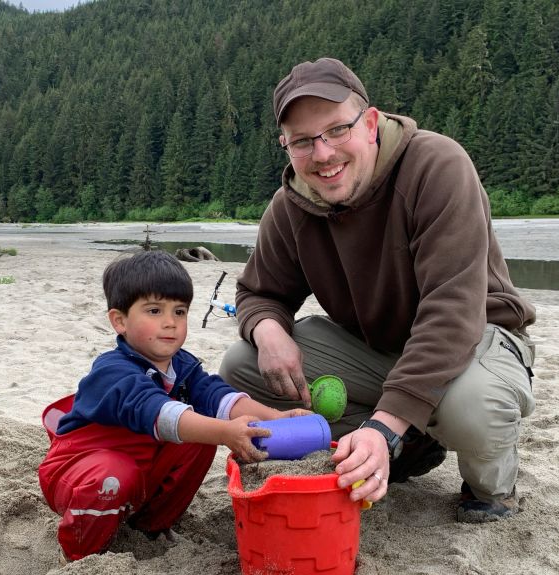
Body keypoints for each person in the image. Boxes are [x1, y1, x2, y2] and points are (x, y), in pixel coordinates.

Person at [219, 57, 537, 523]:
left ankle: (490, 486)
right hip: (378, 351)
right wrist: (268, 332)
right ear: (286, 146)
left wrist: (382, 425)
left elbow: (451, 314)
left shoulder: (436, 166)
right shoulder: (291, 206)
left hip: (475, 339)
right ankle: (409, 445)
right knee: (242, 367)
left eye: (336, 130)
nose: (323, 154)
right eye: (304, 141)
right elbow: (257, 292)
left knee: (473, 408)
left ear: (370, 123)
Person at [38, 250, 307, 561]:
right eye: (154, 311)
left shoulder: (181, 365)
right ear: (120, 320)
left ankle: (150, 525)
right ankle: (81, 554)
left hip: (140, 469)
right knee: (115, 475)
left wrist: (277, 418)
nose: (170, 323)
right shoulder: (112, 371)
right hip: (80, 471)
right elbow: (159, 413)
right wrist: (225, 432)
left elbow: (216, 396)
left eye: (179, 312)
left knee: (201, 436)